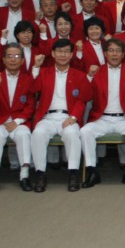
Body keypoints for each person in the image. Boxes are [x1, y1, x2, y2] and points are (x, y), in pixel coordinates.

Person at [80, 38, 125, 188]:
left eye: (118, 51)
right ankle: (92, 171)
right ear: (105, 53)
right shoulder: (98, 72)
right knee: (85, 131)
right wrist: (89, 77)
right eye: (111, 50)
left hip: (124, 118)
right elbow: (85, 96)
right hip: (102, 118)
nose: (114, 54)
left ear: (123, 54)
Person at [29, 39, 92, 192]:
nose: (62, 55)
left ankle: (73, 173)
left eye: (66, 52)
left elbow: (82, 100)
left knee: (72, 134)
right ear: (53, 53)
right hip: (47, 118)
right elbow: (32, 88)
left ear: (71, 55)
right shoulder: (44, 72)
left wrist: (74, 117)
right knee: (38, 133)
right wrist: (36, 67)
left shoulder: (79, 75)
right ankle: (40, 173)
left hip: (68, 117)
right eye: (59, 51)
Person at [0, 43, 36, 194]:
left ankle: (24, 175)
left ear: (23, 60)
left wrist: (17, 121)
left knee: (24, 134)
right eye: (9, 56)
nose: (13, 59)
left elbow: (30, 105)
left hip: (19, 121)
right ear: (3, 59)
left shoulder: (28, 79)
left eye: (17, 56)